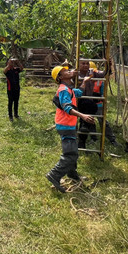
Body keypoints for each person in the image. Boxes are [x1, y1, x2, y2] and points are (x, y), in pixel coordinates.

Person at [46, 65, 97, 193]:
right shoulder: (63, 90)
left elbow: (78, 92)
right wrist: (83, 116)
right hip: (65, 125)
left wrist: (84, 82)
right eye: (66, 71)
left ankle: (72, 174)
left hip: (69, 124)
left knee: (72, 151)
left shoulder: (69, 89)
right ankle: (54, 174)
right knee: (71, 154)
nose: (70, 71)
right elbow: (67, 108)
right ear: (60, 77)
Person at [76, 59, 119, 148]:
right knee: (84, 121)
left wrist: (108, 66)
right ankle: (85, 140)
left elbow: (104, 74)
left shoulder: (92, 72)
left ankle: (110, 139)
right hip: (79, 101)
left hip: (92, 101)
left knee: (92, 121)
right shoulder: (76, 74)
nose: (85, 65)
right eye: (83, 63)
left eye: (87, 63)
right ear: (78, 64)